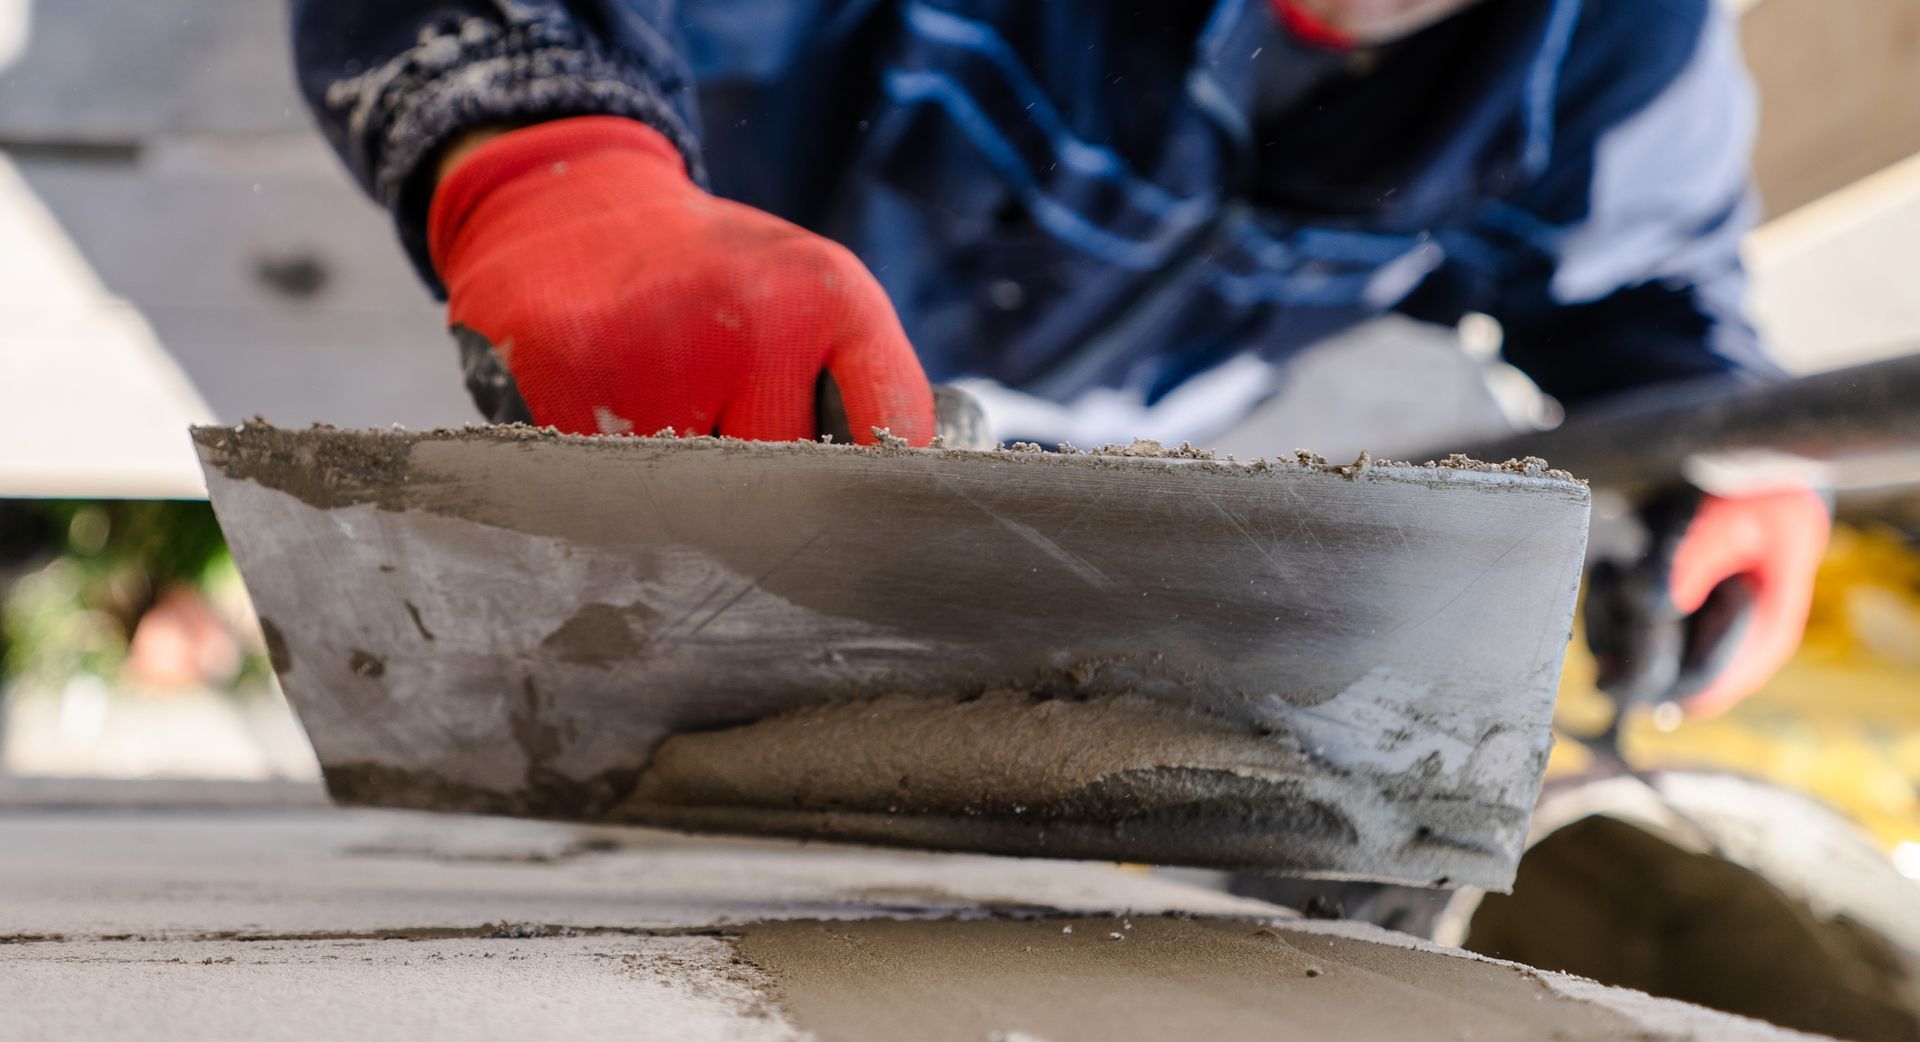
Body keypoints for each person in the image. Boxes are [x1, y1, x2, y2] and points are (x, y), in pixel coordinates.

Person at [289, 0, 1829, 717]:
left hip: (1024, 498)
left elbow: (1649, 294)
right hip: (652, 322)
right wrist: (550, 157)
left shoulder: (1620, 47)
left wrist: (1724, 458)